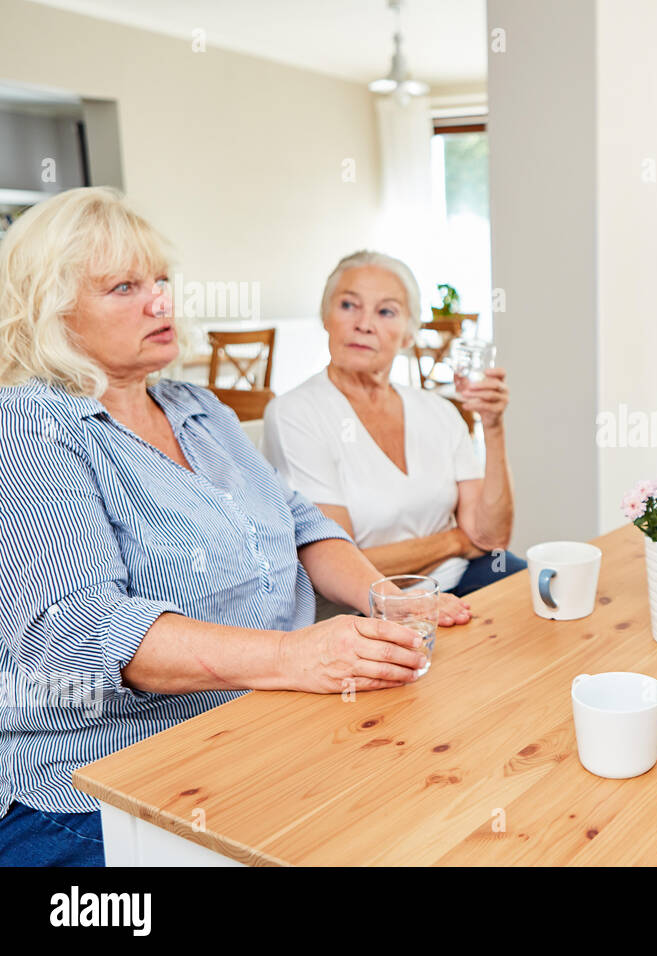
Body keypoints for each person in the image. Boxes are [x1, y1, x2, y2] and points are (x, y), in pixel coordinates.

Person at [0, 188, 472, 867]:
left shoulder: (198, 407)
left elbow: (301, 522)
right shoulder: (28, 426)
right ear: (51, 310)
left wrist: (387, 598)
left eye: (161, 280)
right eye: (125, 287)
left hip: (262, 727)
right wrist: (293, 657)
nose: (161, 302)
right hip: (100, 789)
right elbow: (76, 635)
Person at [263, 251, 522, 600]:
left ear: (408, 335)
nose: (364, 324)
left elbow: (490, 539)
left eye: (386, 311)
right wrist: (456, 540)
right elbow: (341, 564)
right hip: (373, 604)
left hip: (466, 578)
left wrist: (492, 427)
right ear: (326, 316)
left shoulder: (439, 411)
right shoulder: (295, 414)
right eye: (348, 305)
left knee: (545, 594)